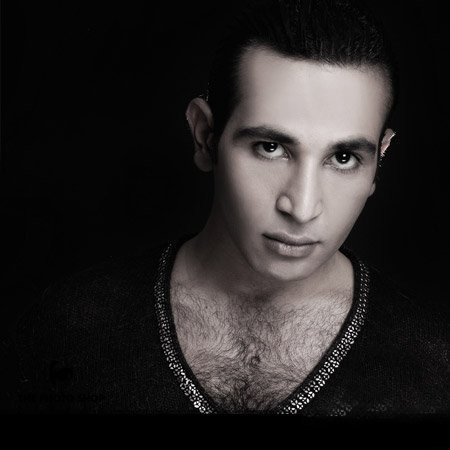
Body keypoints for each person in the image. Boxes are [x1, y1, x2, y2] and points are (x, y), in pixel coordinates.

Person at [2, 0, 448, 415]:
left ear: (380, 159)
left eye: (344, 158)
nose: (302, 207)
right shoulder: (72, 328)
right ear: (205, 136)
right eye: (270, 147)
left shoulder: (433, 366)